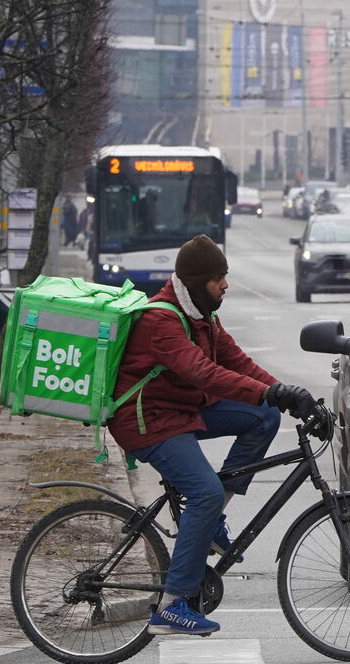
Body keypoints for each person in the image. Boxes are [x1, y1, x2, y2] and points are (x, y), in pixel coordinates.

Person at [109, 234, 316, 636]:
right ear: (195, 281)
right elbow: (202, 373)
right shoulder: (161, 321)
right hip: (149, 420)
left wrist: (287, 394)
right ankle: (173, 605)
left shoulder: (203, 317)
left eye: (226, 276)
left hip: (182, 410)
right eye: (218, 278)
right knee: (202, 491)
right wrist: (268, 391)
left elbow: (239, 363)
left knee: (264, 416)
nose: (225, 285)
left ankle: (209, 521)